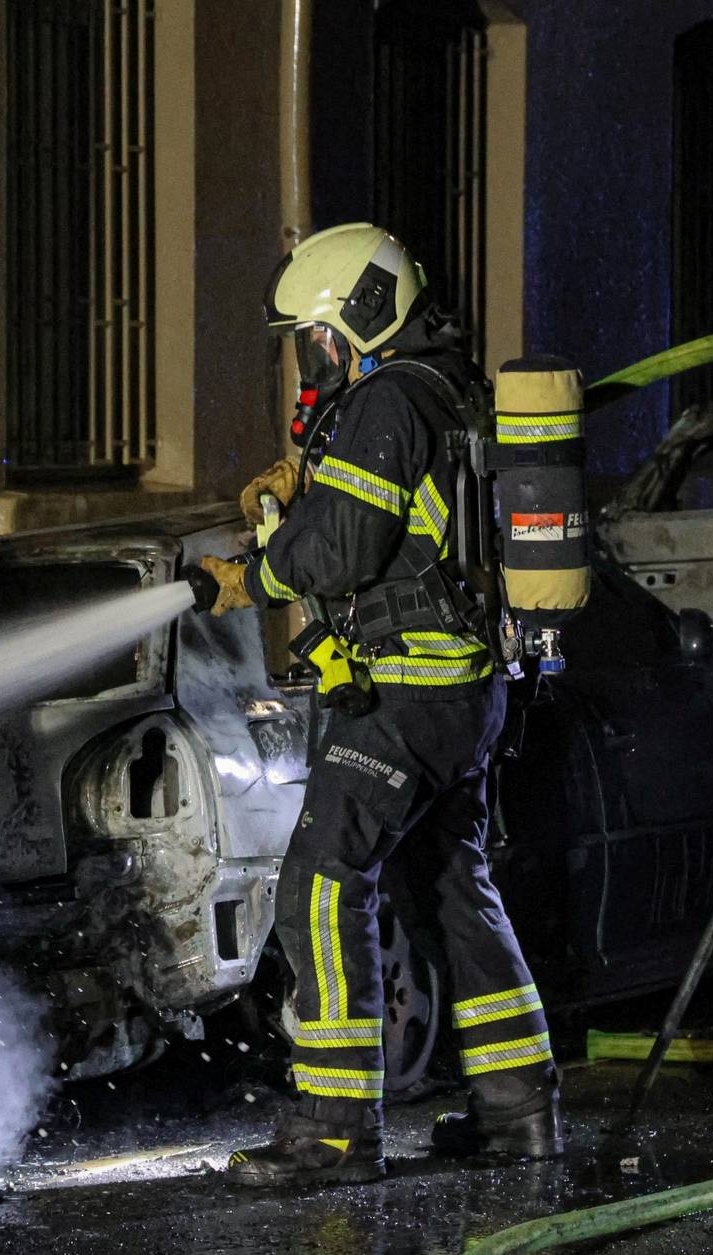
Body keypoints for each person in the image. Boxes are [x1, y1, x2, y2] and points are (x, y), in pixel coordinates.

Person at [196, 223, 560, 1186]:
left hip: (411, 692)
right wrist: (307, 488)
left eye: (316, 339)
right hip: (465, 692)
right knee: (455, 888)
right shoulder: (443, 388)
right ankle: (519, 1111)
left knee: (321, 880)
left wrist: (253, 573)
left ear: (356, 318)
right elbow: (386, 524)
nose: (314, 359)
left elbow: (342, 550)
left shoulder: (389, 397)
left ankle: (335, 1128)